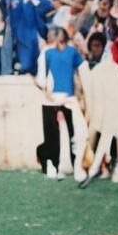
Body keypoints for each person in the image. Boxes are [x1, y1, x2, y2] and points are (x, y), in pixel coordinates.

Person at [36, 27, 88, 182]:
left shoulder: (72, 52)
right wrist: (48, 94)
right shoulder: (47, 53)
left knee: (79, 134)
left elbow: (82, 70)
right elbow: (41, 79)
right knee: (56, 138)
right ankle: (58, 167)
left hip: (70, 99)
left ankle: (78, 166)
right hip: (53, 100)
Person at [77, 33, 118, 187]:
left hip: (114, 111)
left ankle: (108, 169)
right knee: (102, 141)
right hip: (104, 112)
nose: (96, 49)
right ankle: (95, 169)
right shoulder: (93, 68)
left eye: (98, 46)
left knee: (114, 140)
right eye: (93, 46)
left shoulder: (113, 69)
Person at [7, 0, 53, 75]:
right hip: (18, 33)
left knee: (35, 63)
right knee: (23, 64)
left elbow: (49, 7)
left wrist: (35, 6)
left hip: (34, 32)